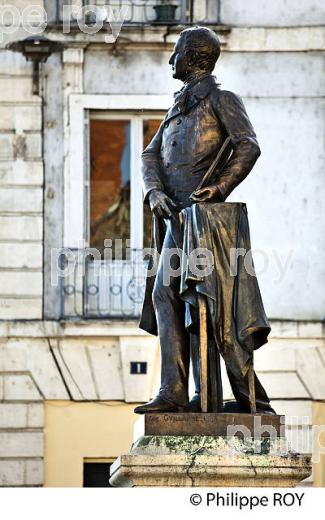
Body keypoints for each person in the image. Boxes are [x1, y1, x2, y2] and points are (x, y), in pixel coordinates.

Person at [134, 27, 275, 415]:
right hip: (176, 220)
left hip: (206, 221)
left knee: (212, 310)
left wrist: (220, 187)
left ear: (193, 57)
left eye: (175, 53)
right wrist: (153, 192)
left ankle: (248, 400)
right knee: (167, 295)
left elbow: (248, 145)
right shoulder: (176, 108)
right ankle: (175, 391)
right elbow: (149, 157)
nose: (170, 61)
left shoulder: (221, 100)